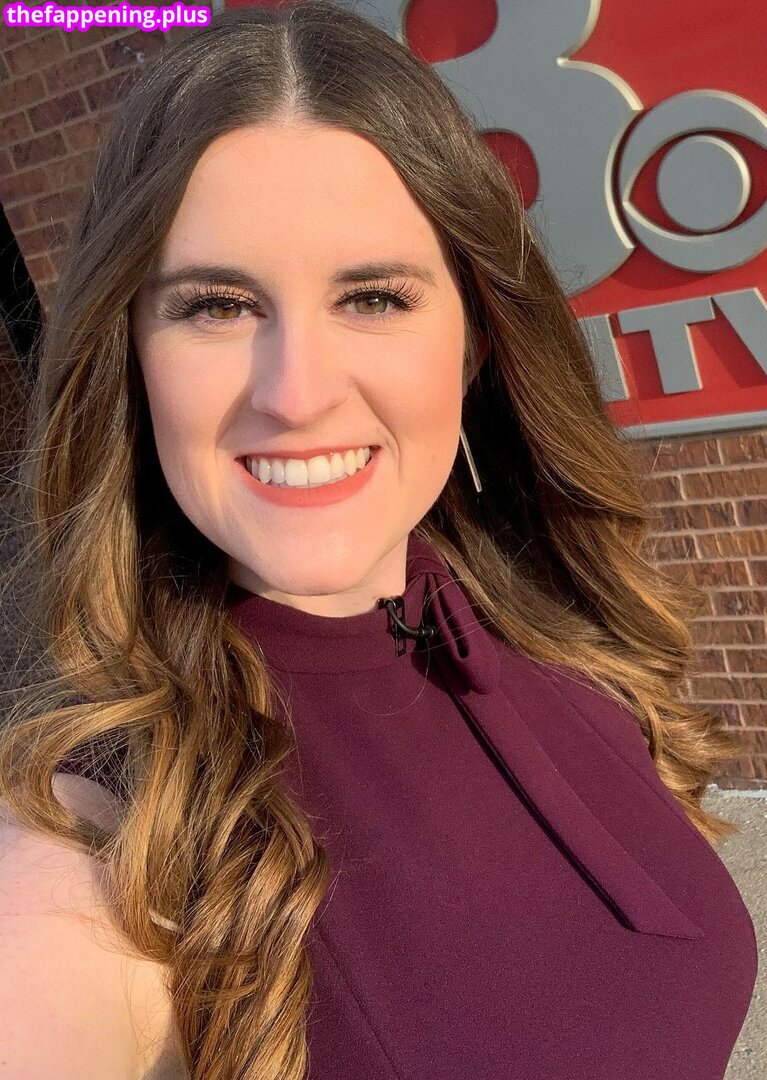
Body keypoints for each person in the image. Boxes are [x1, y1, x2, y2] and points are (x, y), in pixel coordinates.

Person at [0, 3, 757, 1079]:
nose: (296, 394)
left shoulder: (560, 635)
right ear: (129, 355)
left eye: (371, 296)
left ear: (475, 341)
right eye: (216, 306)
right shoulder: (96, 841)